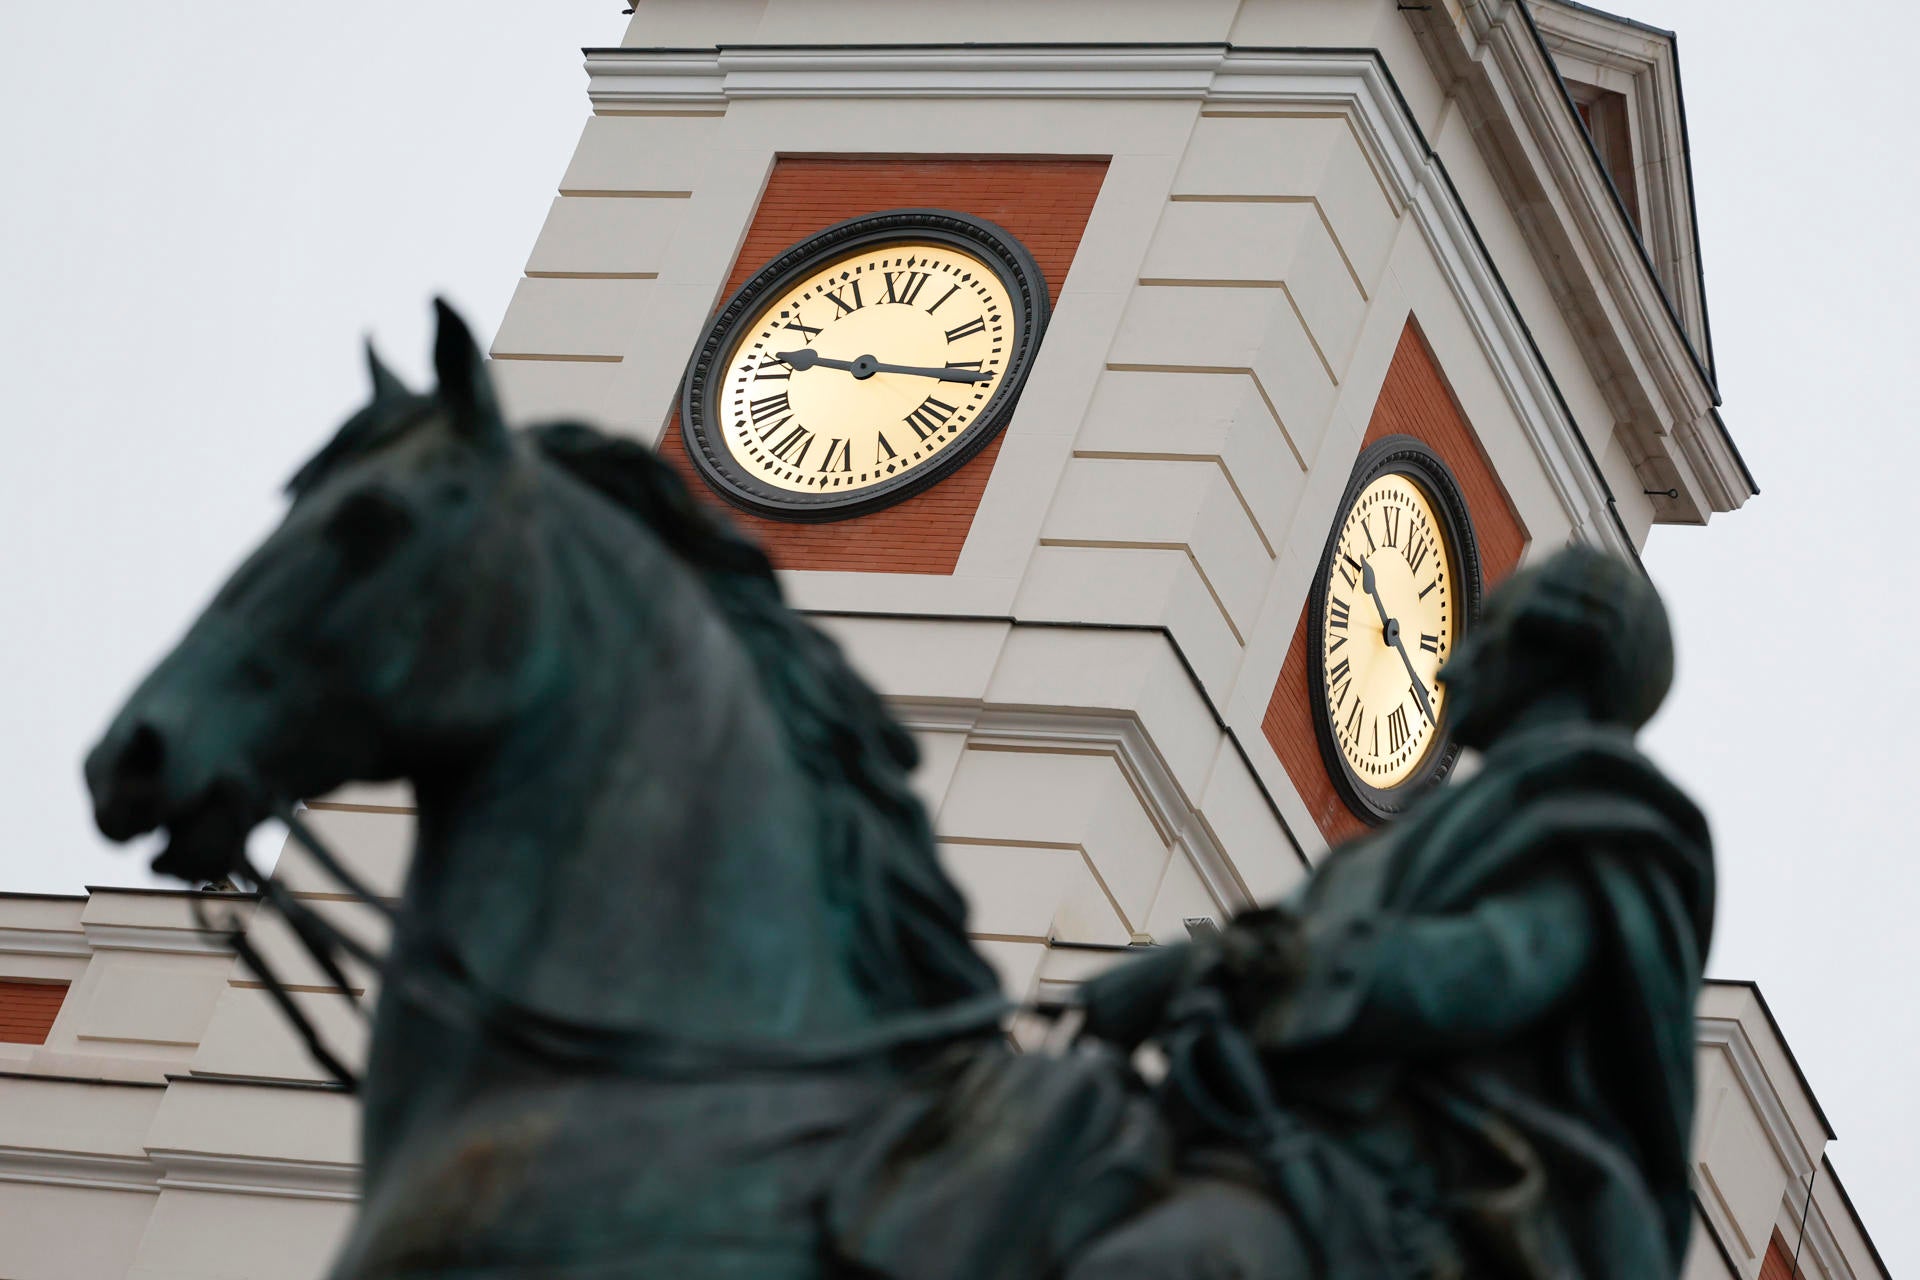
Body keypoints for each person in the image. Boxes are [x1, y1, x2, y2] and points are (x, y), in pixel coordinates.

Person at [1072, 545, 1715, 1279]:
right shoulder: (1411, 836)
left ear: (1550, 645)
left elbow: (1482, 974)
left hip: (1419, 1191)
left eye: (1485, 632)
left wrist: (1225, 966)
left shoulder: (1604, 828)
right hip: (1259, 1132)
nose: (1446, 668)